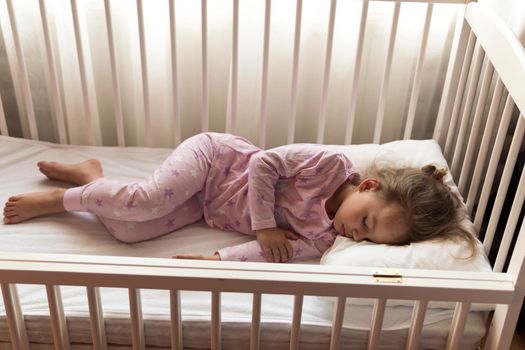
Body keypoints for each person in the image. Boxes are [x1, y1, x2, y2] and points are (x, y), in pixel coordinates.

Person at [2, 132, 476, 263]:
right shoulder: (328, 166)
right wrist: (267, 223)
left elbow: (274, 254)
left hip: (208, 206)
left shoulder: (323, 238)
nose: (356, 233)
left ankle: (92, 175)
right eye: (367, 222)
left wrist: (219, 258)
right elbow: (262, 164)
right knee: (144, 200)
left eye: (370, 240)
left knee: (129, 230)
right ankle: (63, 199)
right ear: (368, 187)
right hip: (215, 162)